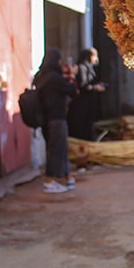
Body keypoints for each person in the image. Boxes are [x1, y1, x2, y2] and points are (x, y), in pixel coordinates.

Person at [33, 48, 78, 193]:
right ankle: (49, 182)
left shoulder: (40, 77)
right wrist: (72, 75)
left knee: (59, 149)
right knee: (56, 151)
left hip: (45, 119)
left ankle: (68, 178)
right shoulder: (54, 78)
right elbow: (72, 91)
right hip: (57, 118)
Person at [68, 48, 107, 140]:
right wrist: (95, 87)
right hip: (80, 103)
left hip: (87, 102)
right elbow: (83, 85)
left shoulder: (89, 68)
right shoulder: (82, 67)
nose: (95, 59)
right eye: (94, 56)